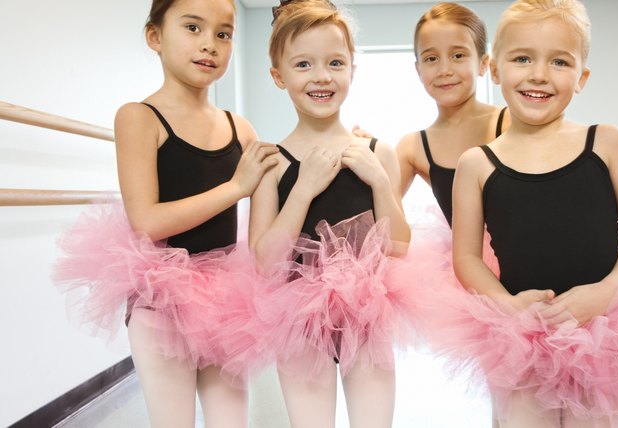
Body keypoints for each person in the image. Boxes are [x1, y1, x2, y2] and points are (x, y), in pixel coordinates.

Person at [428, 0, 618, 427]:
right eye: (522, 58)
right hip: (522, 331)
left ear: (581, 77)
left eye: (559, 61)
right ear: (495, 69)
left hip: (603, 329)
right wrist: (508, 306)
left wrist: (606, 293)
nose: (538, 73)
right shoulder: (476, 164)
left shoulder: (607, 143)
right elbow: (466, 258)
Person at [52, 0, 278, 426]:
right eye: (193, 28)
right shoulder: (138, 117)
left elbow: (277, 195)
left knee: (232, 420)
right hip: (161, 296)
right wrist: (235, 188)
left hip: (227, 295)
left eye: (223, 34)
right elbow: (148, 222)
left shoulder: (239, 127)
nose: (209, 44)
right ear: (155, 36)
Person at [219, 1, 415, 427]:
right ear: (279, 77)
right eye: (304, 64)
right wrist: (303, 189)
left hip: (367, 316)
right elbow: (266, 261)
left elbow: (398, 246)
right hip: (298, 321)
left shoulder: (378, 151)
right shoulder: (272, 164)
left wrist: (380, 181)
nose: (322, 76)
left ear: (352, 71)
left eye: (335, 62)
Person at [397, 2, 510, 227]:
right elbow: (376, 212)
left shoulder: (510, 123)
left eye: (458, 55)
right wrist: (371, 156)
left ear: (483, 63)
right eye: (431, 58)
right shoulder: (413, 147)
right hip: (459, 260)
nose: (444, 70)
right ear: (418, 70)